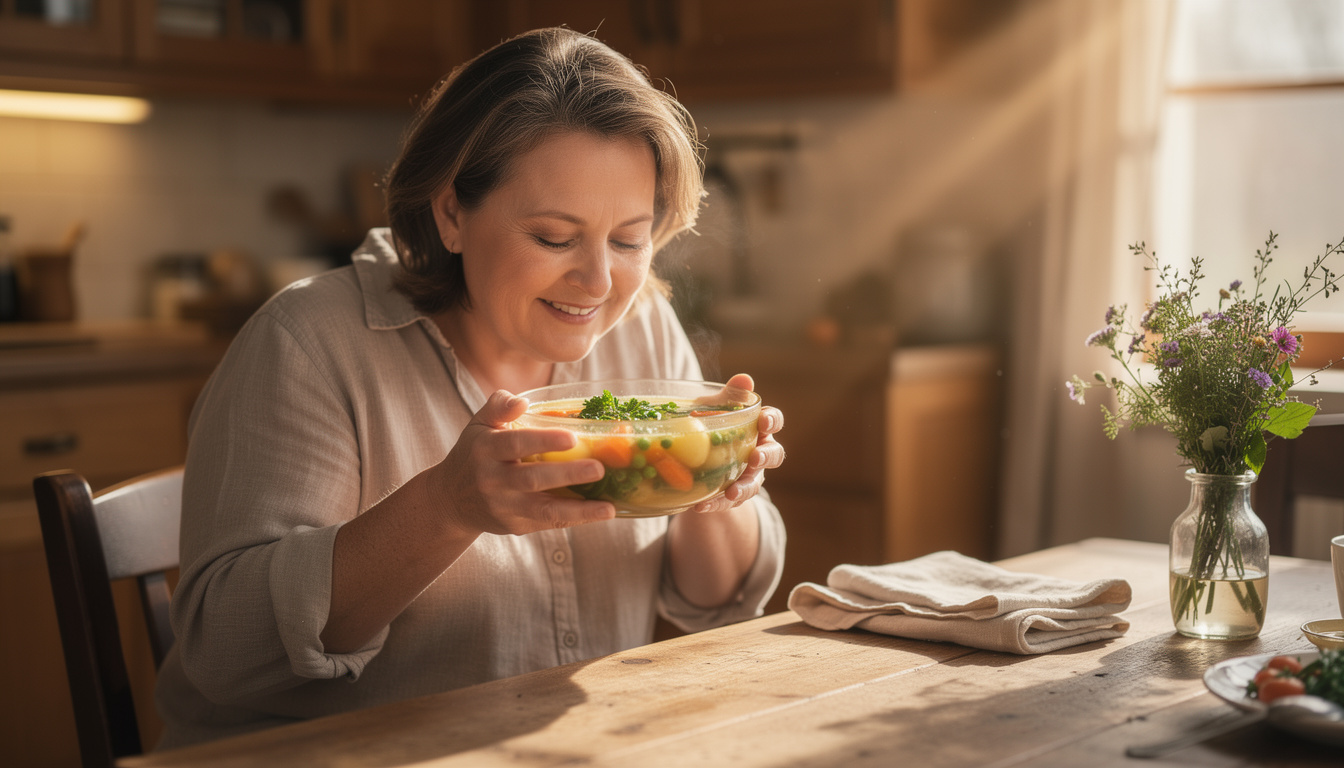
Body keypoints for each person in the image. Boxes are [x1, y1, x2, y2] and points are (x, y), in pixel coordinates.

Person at [155, 27, 787, 747]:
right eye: (554, 237)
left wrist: (712, 481)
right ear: (452, 212)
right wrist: (446, 507)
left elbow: (719, 603)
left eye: (628, 239)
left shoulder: (639, 325)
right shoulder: (310, 342)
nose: (600, 282)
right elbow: (225, 653)